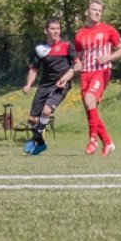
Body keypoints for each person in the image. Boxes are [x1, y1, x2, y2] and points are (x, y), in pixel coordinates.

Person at [74, 0, 121, 156]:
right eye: (94, 10)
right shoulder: (80, 35)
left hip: (102, 71)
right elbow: (77, 55)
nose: (97, 13)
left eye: (99, 11)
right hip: (85, 74)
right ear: (87, 12)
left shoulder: (108, 30)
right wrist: (77, 63)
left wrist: (108, 58)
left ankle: (93, 141)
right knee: (90, 109)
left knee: (90, 99)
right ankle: (108, 143)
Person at [22, 18, 79, 156]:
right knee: (32, 119)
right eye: (52, 29)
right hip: (44, 85)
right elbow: (34, 69)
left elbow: (77, 65)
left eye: (58, 28)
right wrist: (29, 84)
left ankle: (33, 139)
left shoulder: (67, 45)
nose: (56, 32)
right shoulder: (40, 49)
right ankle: (41, 144)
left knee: (46, 112)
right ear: (45, 30)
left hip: (61, 85)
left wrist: (65, 78)